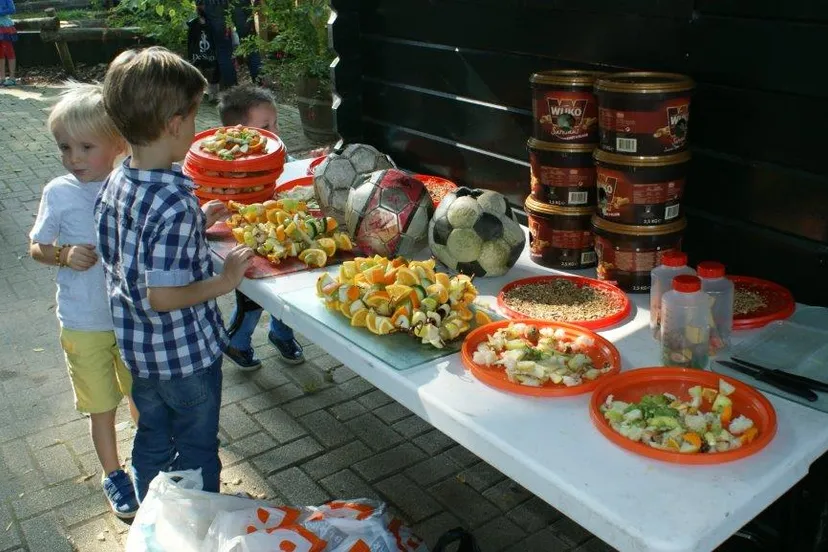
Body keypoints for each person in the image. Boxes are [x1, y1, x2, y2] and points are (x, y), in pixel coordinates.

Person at [95, 46, 254, 501]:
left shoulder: (117, 180)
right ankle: (196, 521)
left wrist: (198, 219)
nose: (196, 126)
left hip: (140, 356)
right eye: (194, 116)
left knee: (151, 440)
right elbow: (162, 295)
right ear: (173, 124)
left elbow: (134, 251)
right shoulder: (173, 202)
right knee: (197, 447)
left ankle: (153, 514)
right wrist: (224, 281)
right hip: (186, 360)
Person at [29, 83, 138, 518]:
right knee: (101, 405)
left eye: (85, 146)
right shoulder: (58, 192)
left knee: (140, 397)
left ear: (118, 143)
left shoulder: (129, 184)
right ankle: (113, 473)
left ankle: (150, 461)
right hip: (83, 322)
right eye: (65, 147)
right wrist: (62, 254)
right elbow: (36, 246)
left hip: (130, 318)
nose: (73, 158)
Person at [217, 84, 304, 369]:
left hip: (282, 231)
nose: (276, 131)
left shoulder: (277, 149)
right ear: (238, 134)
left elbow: (291, 171)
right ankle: (236, 341)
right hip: (248, 240)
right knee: (251, 298)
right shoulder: (226, 165)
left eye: (276, 122)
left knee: (288, 290)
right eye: (266, 126)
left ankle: (281, 334)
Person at [199, 0, 261, 88]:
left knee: (223, 50)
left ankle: (232, 91)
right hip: (240, 4)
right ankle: (261, 87)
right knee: (250, 44)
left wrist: (199, 4)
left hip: (214, 5)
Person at [0, 0, 17, 86]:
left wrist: (1, 12)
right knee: (0, 53)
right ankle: (2, 77)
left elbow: (12, 9)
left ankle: (12, 77)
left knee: (9, 51)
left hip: (4, 27)